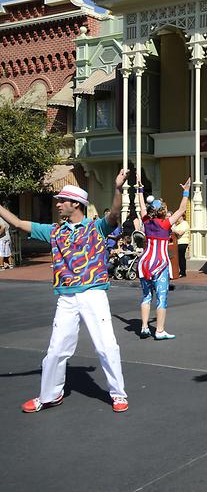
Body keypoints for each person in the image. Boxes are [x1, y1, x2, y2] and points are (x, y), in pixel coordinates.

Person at [0, 173, 129, 413]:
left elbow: (114, 214)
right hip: (67, 297)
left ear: (75, 204)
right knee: (57, 349)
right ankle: (50, 395)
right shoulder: (53, 231)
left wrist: (118, 188)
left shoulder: (96, 227)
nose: (57, 204)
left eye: (61, 200)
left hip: (94, 294)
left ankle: (118, 394)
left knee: (106, 346)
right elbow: (17, 223)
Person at [135, 178, 191, 340]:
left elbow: (142, 207)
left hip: (145, 262)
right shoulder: (166, 224)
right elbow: (181, 210)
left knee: (146, 296)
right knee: (161, 297)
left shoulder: (146, 220)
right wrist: (185, 191)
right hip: (160, 264)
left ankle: (145, 327)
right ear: (163, 211)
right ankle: (159, 331)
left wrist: (140, 190)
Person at [171, 214, 190, 279]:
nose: (177, 218)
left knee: (181, 257)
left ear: (181, 217)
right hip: (178, 242)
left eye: (178, 217)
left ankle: (183, 272)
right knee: (179, 257)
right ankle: (180, 271)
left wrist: (173, 229)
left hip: (183, 242)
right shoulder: (178, 224)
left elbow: (180, 232)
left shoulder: (184, 223)